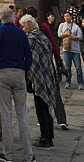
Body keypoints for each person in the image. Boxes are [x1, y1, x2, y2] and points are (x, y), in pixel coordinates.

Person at [0, 6, 36, 162]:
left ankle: (8, 154)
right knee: (22, 114)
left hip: (3, 72)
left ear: (1, 18)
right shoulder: (21, 33)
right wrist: (24, 69)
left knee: (6, 114)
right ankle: (29, 154)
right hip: (19, 72)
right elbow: (28, 56)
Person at [24, 6, 69, 130]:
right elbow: (53, 45)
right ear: (37, 16)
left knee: (39, 92)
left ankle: (44, 118)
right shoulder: (43, 27)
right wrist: (59, 61)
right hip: (47, 64)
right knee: (54, 91)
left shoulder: (33, 30)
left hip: (35, 67)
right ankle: (61, 119)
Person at [20, 14, 57, 149]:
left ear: (29, 26)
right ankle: (49, 135)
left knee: (41, 107)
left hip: (39, 76)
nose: (22, 29)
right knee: (46, 106)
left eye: (23, 26)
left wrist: (28, 74)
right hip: (46, 73)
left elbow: (32, 61)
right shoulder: (41, 36)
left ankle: (45, 138)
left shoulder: (31, 39)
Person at [58, 11, 84, 89]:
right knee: (67, 67)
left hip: (75, 50)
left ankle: (80, 82)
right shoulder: (62, 25)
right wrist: (65, 34)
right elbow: (59, 34)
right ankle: (68, 82)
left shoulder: (76, 26)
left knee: (78, 67)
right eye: (65, 16)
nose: (66, 18)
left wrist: (72, 37)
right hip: (66, 49)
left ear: (71, 17)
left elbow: (80, 37)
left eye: (68, 16)